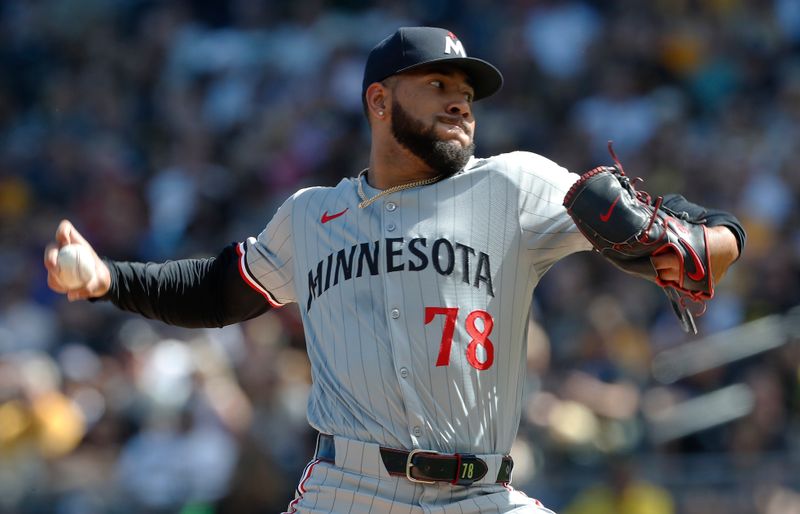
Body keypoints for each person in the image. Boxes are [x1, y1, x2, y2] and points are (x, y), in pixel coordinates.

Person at [44, 27, 745, 514]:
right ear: (379, 101)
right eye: (437, 82)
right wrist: (108, 278)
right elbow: (221, 290)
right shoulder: (312, 214)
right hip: (349, 491)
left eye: (467, 90)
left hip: (482, 493)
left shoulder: (513, 185)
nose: (460, 101)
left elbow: (676, 227)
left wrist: (712, 239)